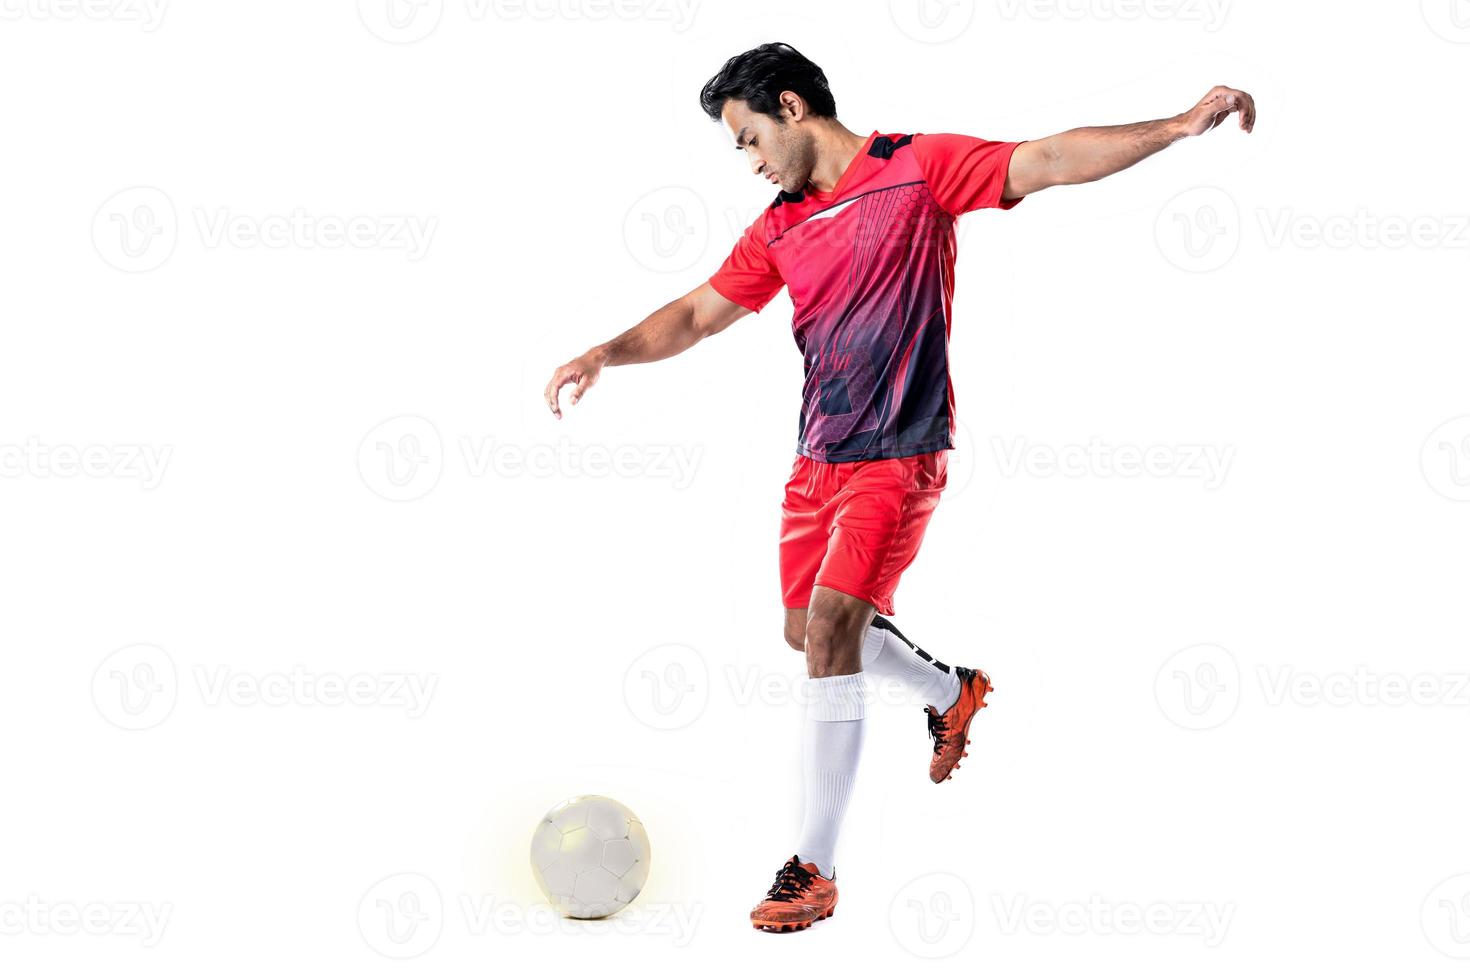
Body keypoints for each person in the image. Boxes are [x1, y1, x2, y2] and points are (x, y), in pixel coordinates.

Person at [544, 41, 1255, 933]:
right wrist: (606, 350)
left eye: (749, 137)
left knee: (837, 625)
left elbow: (1049, 157)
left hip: (900, 449)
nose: (750, 159)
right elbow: (695, 314)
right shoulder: (779, 227)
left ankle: (813, 867)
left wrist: (1180, 125)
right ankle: (950, 692)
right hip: (816, 462)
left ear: (793, 107)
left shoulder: (917, 169)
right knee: (805, 631)